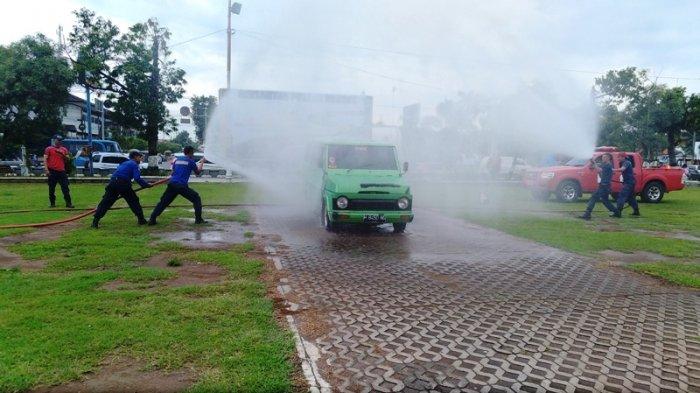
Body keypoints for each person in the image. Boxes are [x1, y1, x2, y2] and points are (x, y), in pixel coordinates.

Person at [92, 150, 152, 228]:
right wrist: (146, 185)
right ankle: (141, 220)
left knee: (106, 202)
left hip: (113, 182)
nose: (140, 159)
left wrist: (144, 185)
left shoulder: (124, 163)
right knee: (133, 201)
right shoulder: (134, 164)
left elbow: (117, 173)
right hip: (123, 183)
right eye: (140, 157)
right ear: (135, 157)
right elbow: (137, 178)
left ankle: (95, 221)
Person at [148, 146, 206, 225]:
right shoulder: (191, 161)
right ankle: (198, 220)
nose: (193, 154)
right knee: (196, 198)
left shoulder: (177, 160)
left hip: (172, 184)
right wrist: (202, 162)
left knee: (163, 202)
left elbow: (173, 173)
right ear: (191, 152)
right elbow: (198, 173)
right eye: (193, 152)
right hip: (181, 185)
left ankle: (152, 219)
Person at [578, 153, 618, 220]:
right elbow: (592, 168)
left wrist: (594, 162)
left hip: (604, 186)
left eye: (604, 157)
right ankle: (616, 212)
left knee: (593, 197)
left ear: (608, 158)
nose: (603, 158)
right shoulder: (605, 165)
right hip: (605, 186)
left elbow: (599, 170)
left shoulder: (608, 165)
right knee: (605, 200)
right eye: (602, 157)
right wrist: (592, 162)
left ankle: (587, 214)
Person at [44, 135, 74, 208]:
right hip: (52, 171)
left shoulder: (64, 149)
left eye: (60, 140)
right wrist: (46, 169)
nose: (59, 142)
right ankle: (52, 203)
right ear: (54, 140)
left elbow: (68, 160)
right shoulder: (49, 149)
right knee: (51, 188)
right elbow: (45, 159)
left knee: (65, 188)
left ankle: (68, 203)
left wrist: (62, 154)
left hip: (61, 171)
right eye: (58, 140)